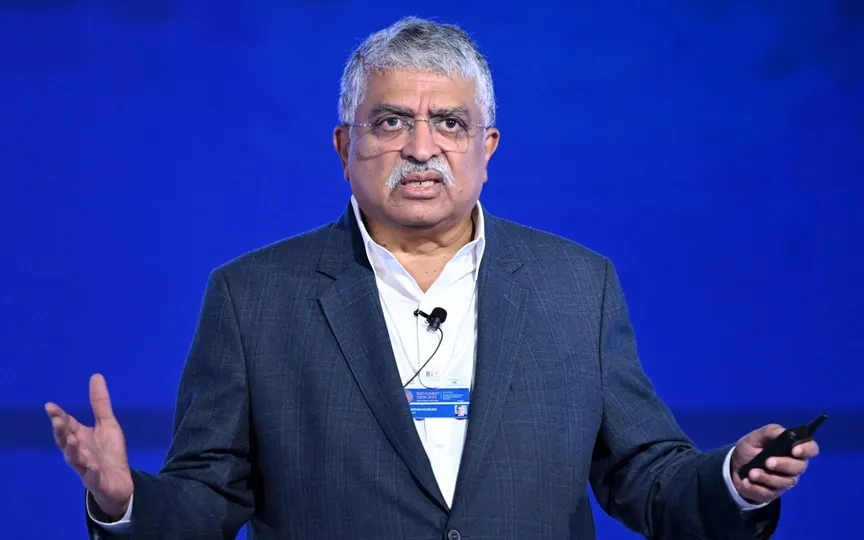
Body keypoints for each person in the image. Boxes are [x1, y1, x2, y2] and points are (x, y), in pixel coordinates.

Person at [46, 17, 820, 540]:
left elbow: (643, 475)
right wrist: (123, 501)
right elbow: (209, 497)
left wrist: (734, 481)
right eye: (391, 122)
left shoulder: (576, 287)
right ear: (345, 145)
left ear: (487, 148)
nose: (422, 147)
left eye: (448, 123)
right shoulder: (253, 297)